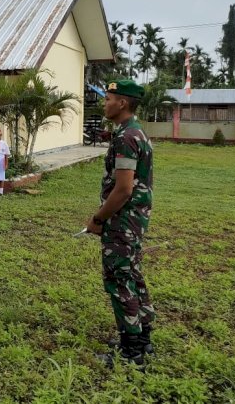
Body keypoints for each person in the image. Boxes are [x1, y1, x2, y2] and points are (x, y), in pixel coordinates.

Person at [85, 79, 155, 368]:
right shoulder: (136, 132)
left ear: (122, 103)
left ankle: (131, 353)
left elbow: (123, 189)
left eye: (108, 98)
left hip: (122, 221)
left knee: (119, 280)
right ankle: (143, 339)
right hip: (134, 221)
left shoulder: (126, 137)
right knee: (133, 275)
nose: (105, 103)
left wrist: (98, 217)